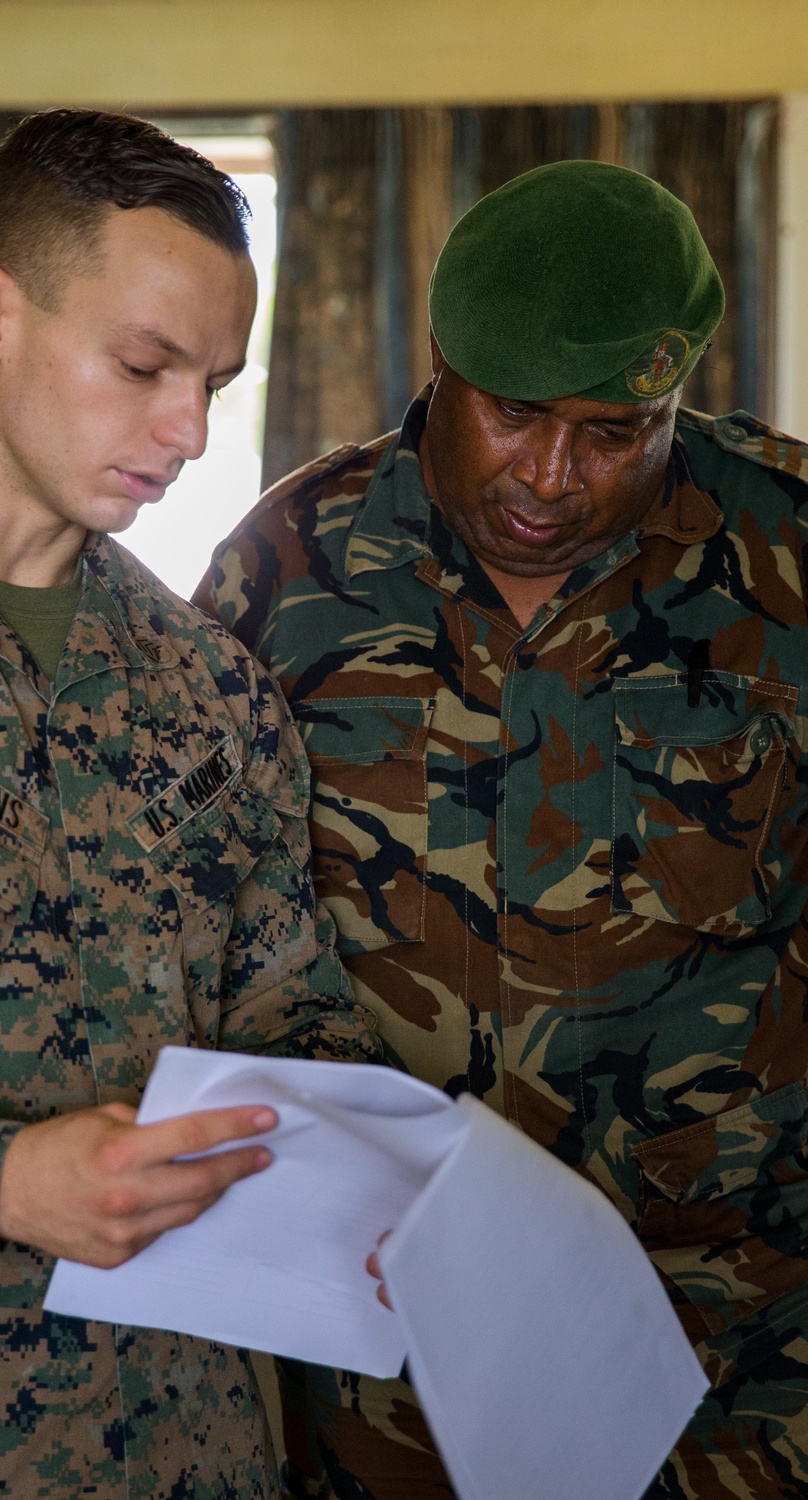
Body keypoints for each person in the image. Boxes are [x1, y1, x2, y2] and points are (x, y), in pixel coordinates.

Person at [195, 159, 808, 1499]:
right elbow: (213, 933)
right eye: (517, 415)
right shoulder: (288, 567)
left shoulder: (788, 553)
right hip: (386, 1347)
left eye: (614, 429)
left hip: (729, 1341)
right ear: (443, 366)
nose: (553, 473)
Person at [0, 108, 378, 1499]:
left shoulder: (214, 696)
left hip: (184, 1452)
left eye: (214, 382)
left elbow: (283, 1022)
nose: (186, 429)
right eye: (142, 365)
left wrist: (377, 1162)